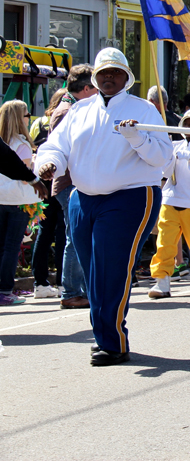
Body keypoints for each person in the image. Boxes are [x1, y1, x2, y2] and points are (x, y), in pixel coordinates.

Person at [36, 48, 173, 365]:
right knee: (92, 274)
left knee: (110, 271)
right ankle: (106, 337)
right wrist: (50, 164)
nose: (109, 77)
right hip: (82, 199)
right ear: (95, 78)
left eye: (115, 72)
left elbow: (164, 159)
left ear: (127, 77)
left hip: (129, 196)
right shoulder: (79, 110)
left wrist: (137, 138)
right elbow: (55, 147)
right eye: (103, 73)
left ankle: (112, 343)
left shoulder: (145, 110)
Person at [148, 109, 190, 298]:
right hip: (170, 200)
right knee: (164, 243)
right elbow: (164, 172)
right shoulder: (174, 145)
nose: (189, 127)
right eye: (186, 123)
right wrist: (168, 157)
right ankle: (162, 282)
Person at [49, 64, 96, 309]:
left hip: (75, 181)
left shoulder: (73, 107)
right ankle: (70, 291)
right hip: (69, 183)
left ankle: (82, 289)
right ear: (86, 88)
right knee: (76, 237)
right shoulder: (68, 110)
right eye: (96, 87)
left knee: (80, 236)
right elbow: (59, 149)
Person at [0, 100, 42, 306]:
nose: (29, 118)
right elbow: (24, 176)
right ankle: (5, 289)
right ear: (19, 118)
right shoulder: (21, 145)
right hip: (19, 200)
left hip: (1, 198)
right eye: (27, 115)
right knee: (11, 246)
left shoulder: (2, 141)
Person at [30, 89, 68, 299]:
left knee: (44, 232)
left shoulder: (39, 123)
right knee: (63, 231)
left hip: (43, 181)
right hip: (60, 179)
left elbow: (33, 145)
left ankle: (40, 282)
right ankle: (63, 281)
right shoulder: (69, 116)